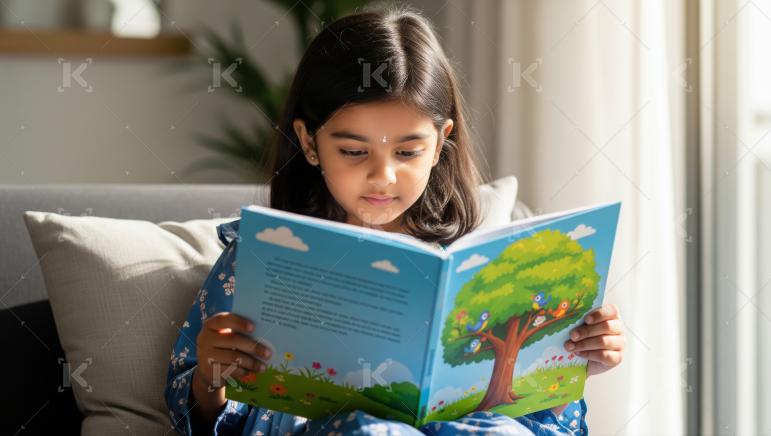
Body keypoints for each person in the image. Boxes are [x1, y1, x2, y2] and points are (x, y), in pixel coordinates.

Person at [165, 5, 625, 435]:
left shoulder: (473, 265)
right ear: (309, 143)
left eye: (407, 152)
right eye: (353, 151)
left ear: (442, 141)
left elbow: (542, 422)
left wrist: (572, 364)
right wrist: (212, 374)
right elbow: (197, 416)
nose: (383, 176)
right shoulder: (259, 259)